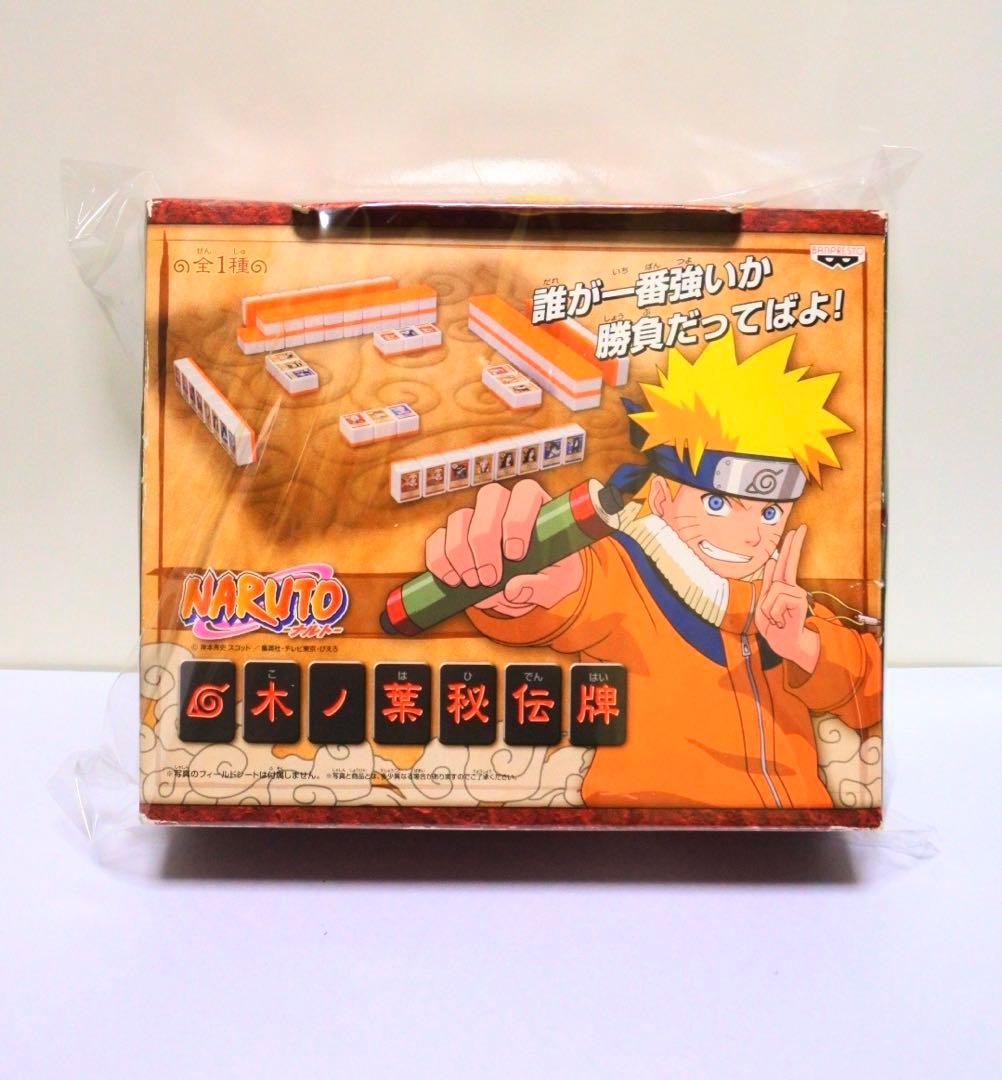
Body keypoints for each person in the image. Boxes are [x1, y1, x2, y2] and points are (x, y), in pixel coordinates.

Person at [422, 331, 881, 808]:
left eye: (769, 513)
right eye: (717, 503)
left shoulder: (783, 603)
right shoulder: (627, 574)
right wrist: (516, 575)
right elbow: (573, 591)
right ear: (661, 499)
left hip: (790, 827)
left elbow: (868, 695)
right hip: (640, 819)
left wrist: (803, 646)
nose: (750, 536)